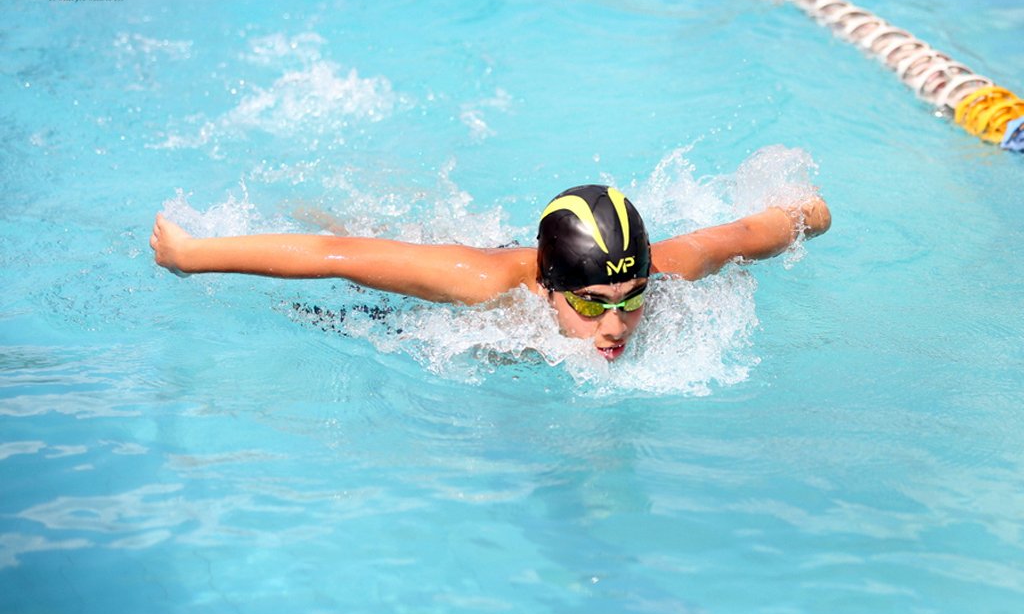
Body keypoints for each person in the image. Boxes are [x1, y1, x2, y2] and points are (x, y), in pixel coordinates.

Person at [150, 185, 831, 361]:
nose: (617, 324)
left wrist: (808, 212)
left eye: (632, 298)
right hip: (459, 281)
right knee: (365, 257)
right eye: (592, 305)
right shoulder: (483, 284)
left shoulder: (665, 269)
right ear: (549, 287)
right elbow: (335, 255)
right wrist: (190, 254)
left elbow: (742, 235)